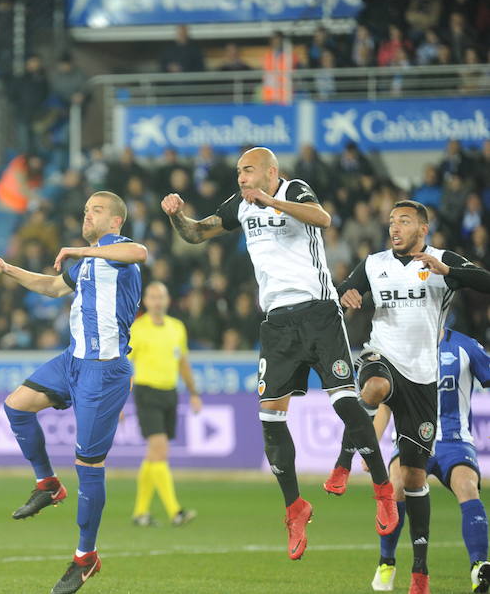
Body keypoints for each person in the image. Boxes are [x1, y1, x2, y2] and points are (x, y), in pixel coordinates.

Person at [161, 146, 398, 561]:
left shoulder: (295, 189)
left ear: (272, 172)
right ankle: (294, 508)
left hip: (319, 313)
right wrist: (175, 215)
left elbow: (322, 219)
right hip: (277, 324)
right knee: (269, 418)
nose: (240, 177)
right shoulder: (241, 205)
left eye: (248, 170)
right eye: (238, 171)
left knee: (345, 402)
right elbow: (197, 233)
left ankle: (382, 489)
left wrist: (270, 201)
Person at [0, 191, 145, 594]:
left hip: (104, 371)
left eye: (97, 210)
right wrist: (7, 269)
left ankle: (86, 557)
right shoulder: (88, 263)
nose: (88, 214)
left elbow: (141, 251)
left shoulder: (119, 251)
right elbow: (52, 287)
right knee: (16, 406)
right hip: (72, 361)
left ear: (116, 221)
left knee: (88, 466)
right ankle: (48, 484)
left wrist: (78, 249)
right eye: (85, 209)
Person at [322, 200, 490, 594]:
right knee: (373, 389)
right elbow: (345, 290)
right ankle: (343, 464)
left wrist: (450, 272)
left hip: (421, 377)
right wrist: (347, 296)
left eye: (404, 221)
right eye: (392, 221)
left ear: (423, 229)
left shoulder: (441, 260)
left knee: (415, 480)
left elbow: (485, 280)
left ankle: (419, 572)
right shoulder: (374, 262)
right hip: (382, 356)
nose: (394, 227)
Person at [367, 329, 490, 593]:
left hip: (454, 441)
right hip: (410, 436)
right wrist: (371, 445)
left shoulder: (465, 346)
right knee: (397, 484)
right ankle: (386, 561)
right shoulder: (400, 346)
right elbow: (386, 405)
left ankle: (479, 567)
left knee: (467, 487)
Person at [128, 281, 201, 527]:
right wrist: (117, 401)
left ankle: (140, 513)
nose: (157, 301)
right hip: (146, 392)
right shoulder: (137, 329)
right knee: (160, 451)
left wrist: (193, 393)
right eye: (152, 297)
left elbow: (183, 362)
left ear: (167, 300)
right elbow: (126, 367)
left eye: (161, 297)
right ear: (146, 301)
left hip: (170, 392)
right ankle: (175, 511)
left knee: (153, 455)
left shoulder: (177, 328)